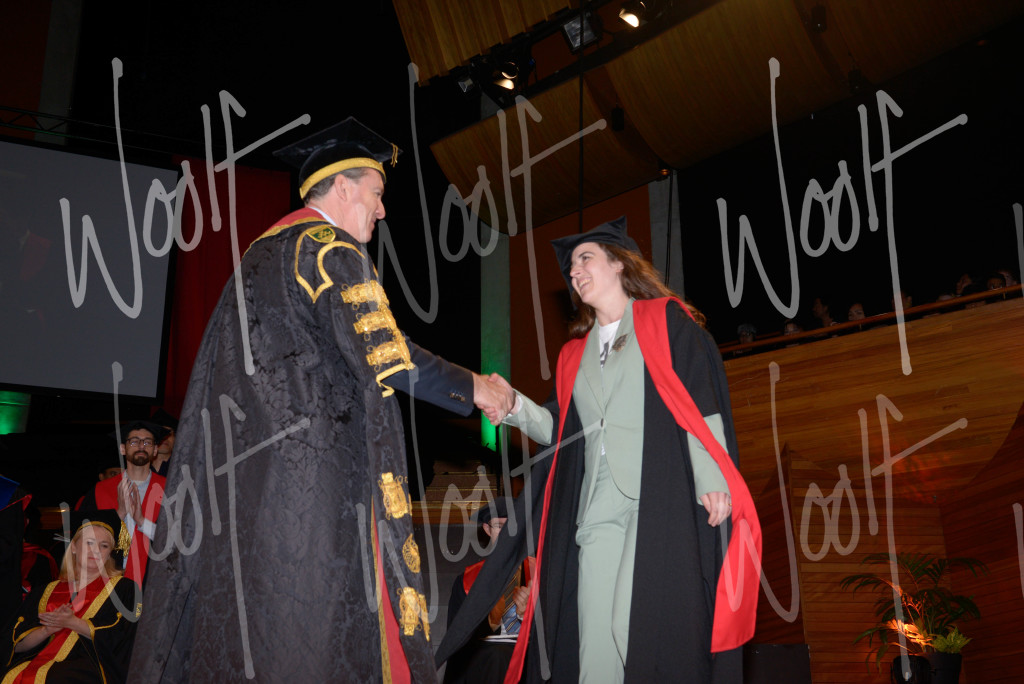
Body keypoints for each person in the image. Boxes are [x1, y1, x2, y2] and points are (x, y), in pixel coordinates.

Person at [127, 118, 512, 683]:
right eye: (377, 193)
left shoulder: (256, 260)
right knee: (320, 636)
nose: (382, 210)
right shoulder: (328, 248)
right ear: (344, 188)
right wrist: (478, 387)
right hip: (318, 493)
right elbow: (386, 352)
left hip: (248, 496)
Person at [438, 218, 761, 683]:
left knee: (634, 625)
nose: (574, 271)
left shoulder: (664, 321)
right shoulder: (575, 354)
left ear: (619, 263)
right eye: (571, 267)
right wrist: (513, 406)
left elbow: (698, 400)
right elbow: (562, 428)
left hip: (656, 498)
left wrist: (712, 478)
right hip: (596, 507)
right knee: (593, 641)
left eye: (584, 258)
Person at [3, 509, 141, 684]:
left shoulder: (124, 589)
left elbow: (125, 641)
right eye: (89, 543)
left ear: (110, 553)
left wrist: (73, 622)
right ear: (74, 547)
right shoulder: (46, 591)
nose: (96, 550)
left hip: (90, 668)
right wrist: (46, 630)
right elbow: (16, 645)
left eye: (104, 546)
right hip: (37, 664)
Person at [444, 498, 533, 684]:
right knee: (496, 655)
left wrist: (526, 616)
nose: (506, 533)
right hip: (484, 659)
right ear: (487, 529)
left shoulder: (540, 574)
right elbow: (457, 639)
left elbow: (557, 632)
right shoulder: (468, 580)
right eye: (499, 526)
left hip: (527, 653)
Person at [77, 420, 167, 586]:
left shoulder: (168, 490)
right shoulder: (101, 491)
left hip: (154, 582)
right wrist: (119, 514)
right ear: (123, 449)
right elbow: (82, 538)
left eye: (147, 442)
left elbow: (179, 541)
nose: (141, 446)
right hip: (106, 579)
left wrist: (142, 522)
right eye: (134, 441)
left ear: (155, 450)